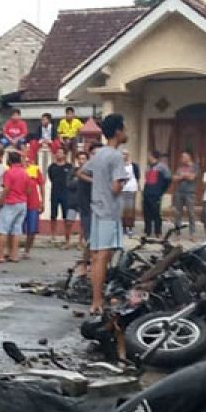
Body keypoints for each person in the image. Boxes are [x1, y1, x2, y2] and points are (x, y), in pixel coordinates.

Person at [79, 114, 130, 315]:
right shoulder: (116, 156)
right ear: (118, 131)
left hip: (97, 208)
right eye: (124, 129)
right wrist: (119, 182)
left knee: (97, 254)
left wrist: (98, 184)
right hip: (109, 210)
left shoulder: (98, 154)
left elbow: (81, 172)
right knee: (103, 256)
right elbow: (117, 186)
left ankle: (97, 299)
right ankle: (97, 301)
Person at [0, 150, 30, 263]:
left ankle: (0, 255)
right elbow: (28, 189)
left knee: (2, 229)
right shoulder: (24, 172)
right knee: (16, 230)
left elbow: (6, 189)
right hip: (22, 202)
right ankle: (14, 255)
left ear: (9, 160)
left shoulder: (9, 173)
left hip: (10, 202)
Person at [66, 150, 91, 255]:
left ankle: (80, 242)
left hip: (84, 201)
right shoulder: (73, 171)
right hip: (72, 201)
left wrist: (79, 179)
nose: (81, 161)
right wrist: (78, 180)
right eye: (80, 159)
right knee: (69, 222)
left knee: (83, 223)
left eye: (84, 159)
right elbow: (69, 184)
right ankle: (67, 242)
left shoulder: (89, 172)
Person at [141, 150, 171, 238]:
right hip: (147, 192)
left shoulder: (162, 167)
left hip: (156, 193)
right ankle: (147, 231)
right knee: (146, 213)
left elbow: (168, 179)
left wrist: (161, 190)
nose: (148, 157)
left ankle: (158, 232)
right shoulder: (148, 167)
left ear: (153, 156)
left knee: (156, 213)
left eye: (149, 155)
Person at [46, 149, 72, 246]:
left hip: (66, 193)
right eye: (57, 152)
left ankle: (67, 237)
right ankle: (53, 235)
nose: (59, 154)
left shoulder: (69, 167)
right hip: (55, 192)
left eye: (61, 152)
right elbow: (51, 178)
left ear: (65, 155)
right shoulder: (52, 167)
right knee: (53, 215)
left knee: (66, 216)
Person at [22, 158, 45, 259]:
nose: (26, 161)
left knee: (32, 229)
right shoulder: (15, 170)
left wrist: (43, 201)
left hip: (33, 203)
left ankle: (27, 250)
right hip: (19, 202)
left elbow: (42, 186)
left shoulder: (35, 169)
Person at [172, 151, 199, 237]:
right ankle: (177, 233)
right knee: (177, 213)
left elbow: (192, 178)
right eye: (181, 157)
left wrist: (182, 176)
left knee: (191, 213)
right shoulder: (180, 168)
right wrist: (184, 176)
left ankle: (192, 234)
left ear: (188, 158)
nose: (181, 159)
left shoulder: (194, 167)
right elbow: (174, 178)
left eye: (183, 157)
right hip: (179, 192)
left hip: (190, 193)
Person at [120, 149, 140, 236]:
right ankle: (123, 227)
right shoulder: (119, 165)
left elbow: (137, 176)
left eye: (125, 154)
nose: (124, 155)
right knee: (123, 209)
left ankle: (130, 227)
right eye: (122, 154)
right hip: (122, 189)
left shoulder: (134, 165)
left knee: (131, 208)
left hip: (131, 188)